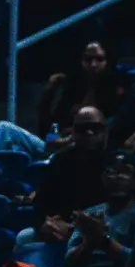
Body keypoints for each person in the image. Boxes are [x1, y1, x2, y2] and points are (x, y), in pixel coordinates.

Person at [63, 149, 135, 267]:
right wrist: (89, 243)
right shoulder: (90, 214)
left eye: (125, 172)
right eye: (111, 172)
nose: (117, 177)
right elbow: (69, 263)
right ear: (103, 178)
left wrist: (104, 240)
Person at [16, 106, 110, 248]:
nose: (89, 132)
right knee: (23, 237)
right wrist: (44, 224)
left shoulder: (114, 162)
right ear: (73, 132)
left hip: (102, 230)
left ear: (105, 131)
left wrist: (74, 229)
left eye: (95, 128)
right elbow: (42, 201)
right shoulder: (60, 160)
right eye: (82, 128)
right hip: (59, 228)